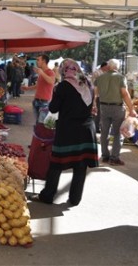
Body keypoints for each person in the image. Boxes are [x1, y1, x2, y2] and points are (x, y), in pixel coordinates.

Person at [30, 59, 99, 206]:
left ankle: (47, 195)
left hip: (68, 129)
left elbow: (54, 108)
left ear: (64, 70)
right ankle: (75, 199)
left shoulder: (63, 86)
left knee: (56, 164)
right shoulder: (88, 84)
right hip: (87, 129)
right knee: (80, 165)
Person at [93, 59, 137, 166]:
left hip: (103, 107)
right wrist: (131, 109)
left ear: (108, 67)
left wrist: (94, 105)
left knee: (104, 132)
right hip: (117, 108)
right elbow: (125, 94)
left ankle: (105, 156)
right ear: (117, 67)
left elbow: (95, 94)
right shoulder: (121, 78)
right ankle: (114, 158)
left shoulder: (99, 78)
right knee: (118, 133)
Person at [21, 54, 56, 121]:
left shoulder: (50, 72)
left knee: (41, 124)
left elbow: (51, 82)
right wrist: (28, 88)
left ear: (44, 61)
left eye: (38, 60)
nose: (36, 61)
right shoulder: (41, 73)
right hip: (36, 101)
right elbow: (38, 85)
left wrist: (42, 73)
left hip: (44, 102)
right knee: (37, 123)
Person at [91, 62, 110, 132]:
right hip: (98, 95)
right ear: (104, 66)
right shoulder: (98, 73)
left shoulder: (102, 73)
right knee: (97, 112)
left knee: (100, 112)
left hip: (101, 95)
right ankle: (96, 127)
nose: (108, 68)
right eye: (107, 67)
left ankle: (97, 127)